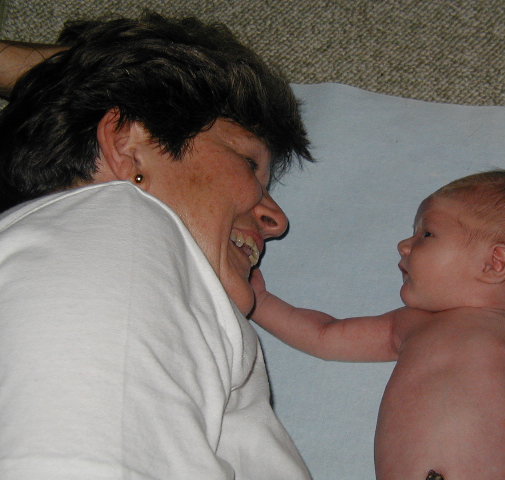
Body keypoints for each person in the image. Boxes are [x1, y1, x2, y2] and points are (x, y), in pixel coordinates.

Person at [0, 13, 314, 479]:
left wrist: (105, 76)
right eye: (249, 163)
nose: (277, 220)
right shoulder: (115, 232)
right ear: (128, 147)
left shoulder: (94, 249)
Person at [250, 170, 505, 479]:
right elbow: (325, 335)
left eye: (427, 233)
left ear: (494, 263)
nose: (404, 245)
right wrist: (259, 301)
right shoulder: (410, 325)